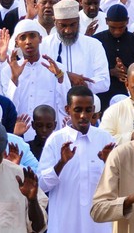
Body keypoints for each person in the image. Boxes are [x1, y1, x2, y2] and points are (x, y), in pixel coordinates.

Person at [38, 86, 116, 233]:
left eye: (88, 110)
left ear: (94, 109)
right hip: (64, 223)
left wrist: (108, 163)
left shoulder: (105, 139)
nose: (83, 115)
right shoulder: (56, 140)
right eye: (78, 110)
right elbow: (42, 185)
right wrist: (61, 163)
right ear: (68, 109)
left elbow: (119, 183)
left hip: (98, 225)